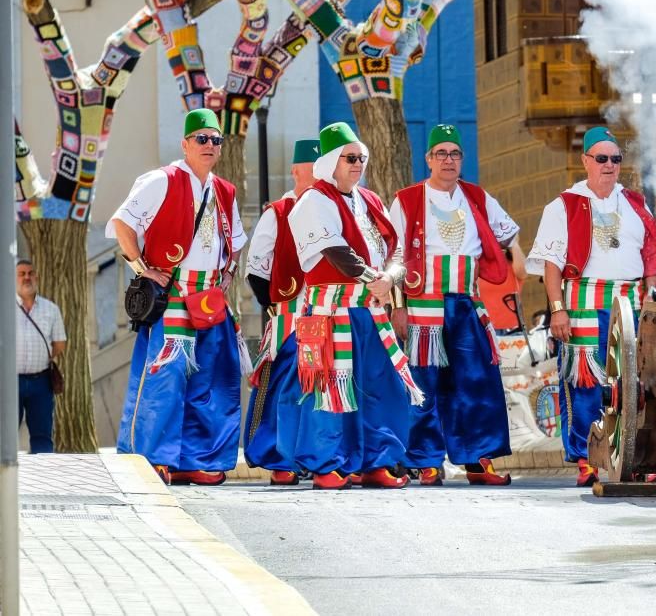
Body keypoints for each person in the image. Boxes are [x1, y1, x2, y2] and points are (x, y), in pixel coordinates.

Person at [108, 108, 249, 486]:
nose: (209, 145)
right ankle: (151, 458)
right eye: (201, 138)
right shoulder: (161, 180)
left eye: (215, 140)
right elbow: (122, 223)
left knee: (211, 381)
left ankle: (195, 458)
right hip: (172, 294)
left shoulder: (224, 190)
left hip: (209, 298)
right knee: (164, 378)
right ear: (185, 143)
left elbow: (235, 243)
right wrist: (141, 268)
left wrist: (227, 278)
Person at [526, 126, 656, 486]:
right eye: (601, 158)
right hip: (583, 304)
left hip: (629, 302)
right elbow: (551, 264)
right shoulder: (563, 205)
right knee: (585, 383)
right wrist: (557, 308)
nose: (609, 165)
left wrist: (651, 296)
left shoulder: (635, 203)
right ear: (585, 161)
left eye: (615, 159)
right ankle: (586, 460)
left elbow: (651, 257)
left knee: (635, 383)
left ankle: (635, 457)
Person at [285, 122, 424, 490]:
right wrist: (374, 279)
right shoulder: (313, 200)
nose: (358, 164)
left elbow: (398, 248)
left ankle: (377, 461)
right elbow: (334, 250)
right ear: (331, 161)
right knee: (331, 384)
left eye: (361, 157)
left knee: (380, 386)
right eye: (350, 158)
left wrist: (390, 278)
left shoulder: (371, 200)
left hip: (369, 307)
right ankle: (327, 463)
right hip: (329, 310)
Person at [390, 124, 519, 487]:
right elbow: (394, 254)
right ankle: (427, 461)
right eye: (441, 153)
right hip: (423, 304)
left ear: (462, 159)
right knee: (423, 383)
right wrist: (398, 305)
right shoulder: (408, 199)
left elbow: (508, 233)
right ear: (428, 159)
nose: (448, 160)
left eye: (455, 154)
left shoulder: (477, 197)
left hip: (465, 302)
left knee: (476, 383)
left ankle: (478, 459)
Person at [243, 139, 320, 486]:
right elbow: (256, 268)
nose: (319, 177)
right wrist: (274, 307)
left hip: (328, 317)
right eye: (313, 170)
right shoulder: (278, 211)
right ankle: (280, 459)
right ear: (295, 171)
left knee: (323, 390)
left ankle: (317, 456)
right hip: (290, 317)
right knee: (285, 389)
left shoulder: (333, 208)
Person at [15, 259, 66, 454]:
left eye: (30, 273)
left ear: (36, 276)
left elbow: (60, 343)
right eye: (21, 274)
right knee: (6, 434)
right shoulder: (4, 308)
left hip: (41, 382)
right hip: (11, 382)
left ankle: (44, 477)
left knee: (42, 436)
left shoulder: (50, 309)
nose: (26, 277)